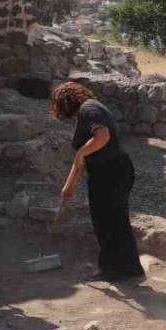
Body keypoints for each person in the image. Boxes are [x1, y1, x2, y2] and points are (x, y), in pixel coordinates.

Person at [51, 81, 145, 283]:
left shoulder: (89, 109)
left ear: (67, 102)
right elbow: (81, 159)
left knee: (107, 222)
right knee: (116, 220)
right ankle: (129, 270)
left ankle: (112, 270)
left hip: (110, 173)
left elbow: (102, 137)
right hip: (112, 171)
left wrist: (82, 152)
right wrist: (68, 186)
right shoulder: (89, 110)